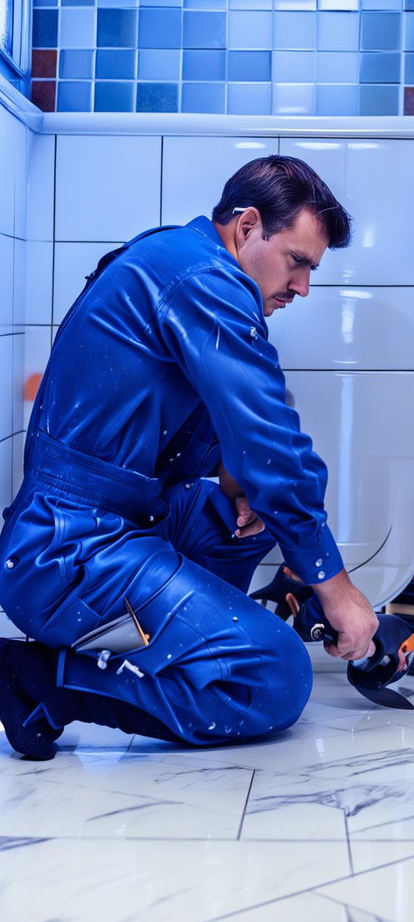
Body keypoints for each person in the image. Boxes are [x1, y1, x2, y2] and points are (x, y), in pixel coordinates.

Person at [0, 155, 378, 760]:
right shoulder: (206, 281)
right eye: (298, 261)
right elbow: (272, 444)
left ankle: (197, 644)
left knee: (239, 520)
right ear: (248, 226)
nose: (304, 287)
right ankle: (46, 684)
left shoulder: (179, 258)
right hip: (70, 547)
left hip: (108, 519)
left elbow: (208, 425)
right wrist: (334, 588)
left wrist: (235, 479)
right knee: (276, 679)